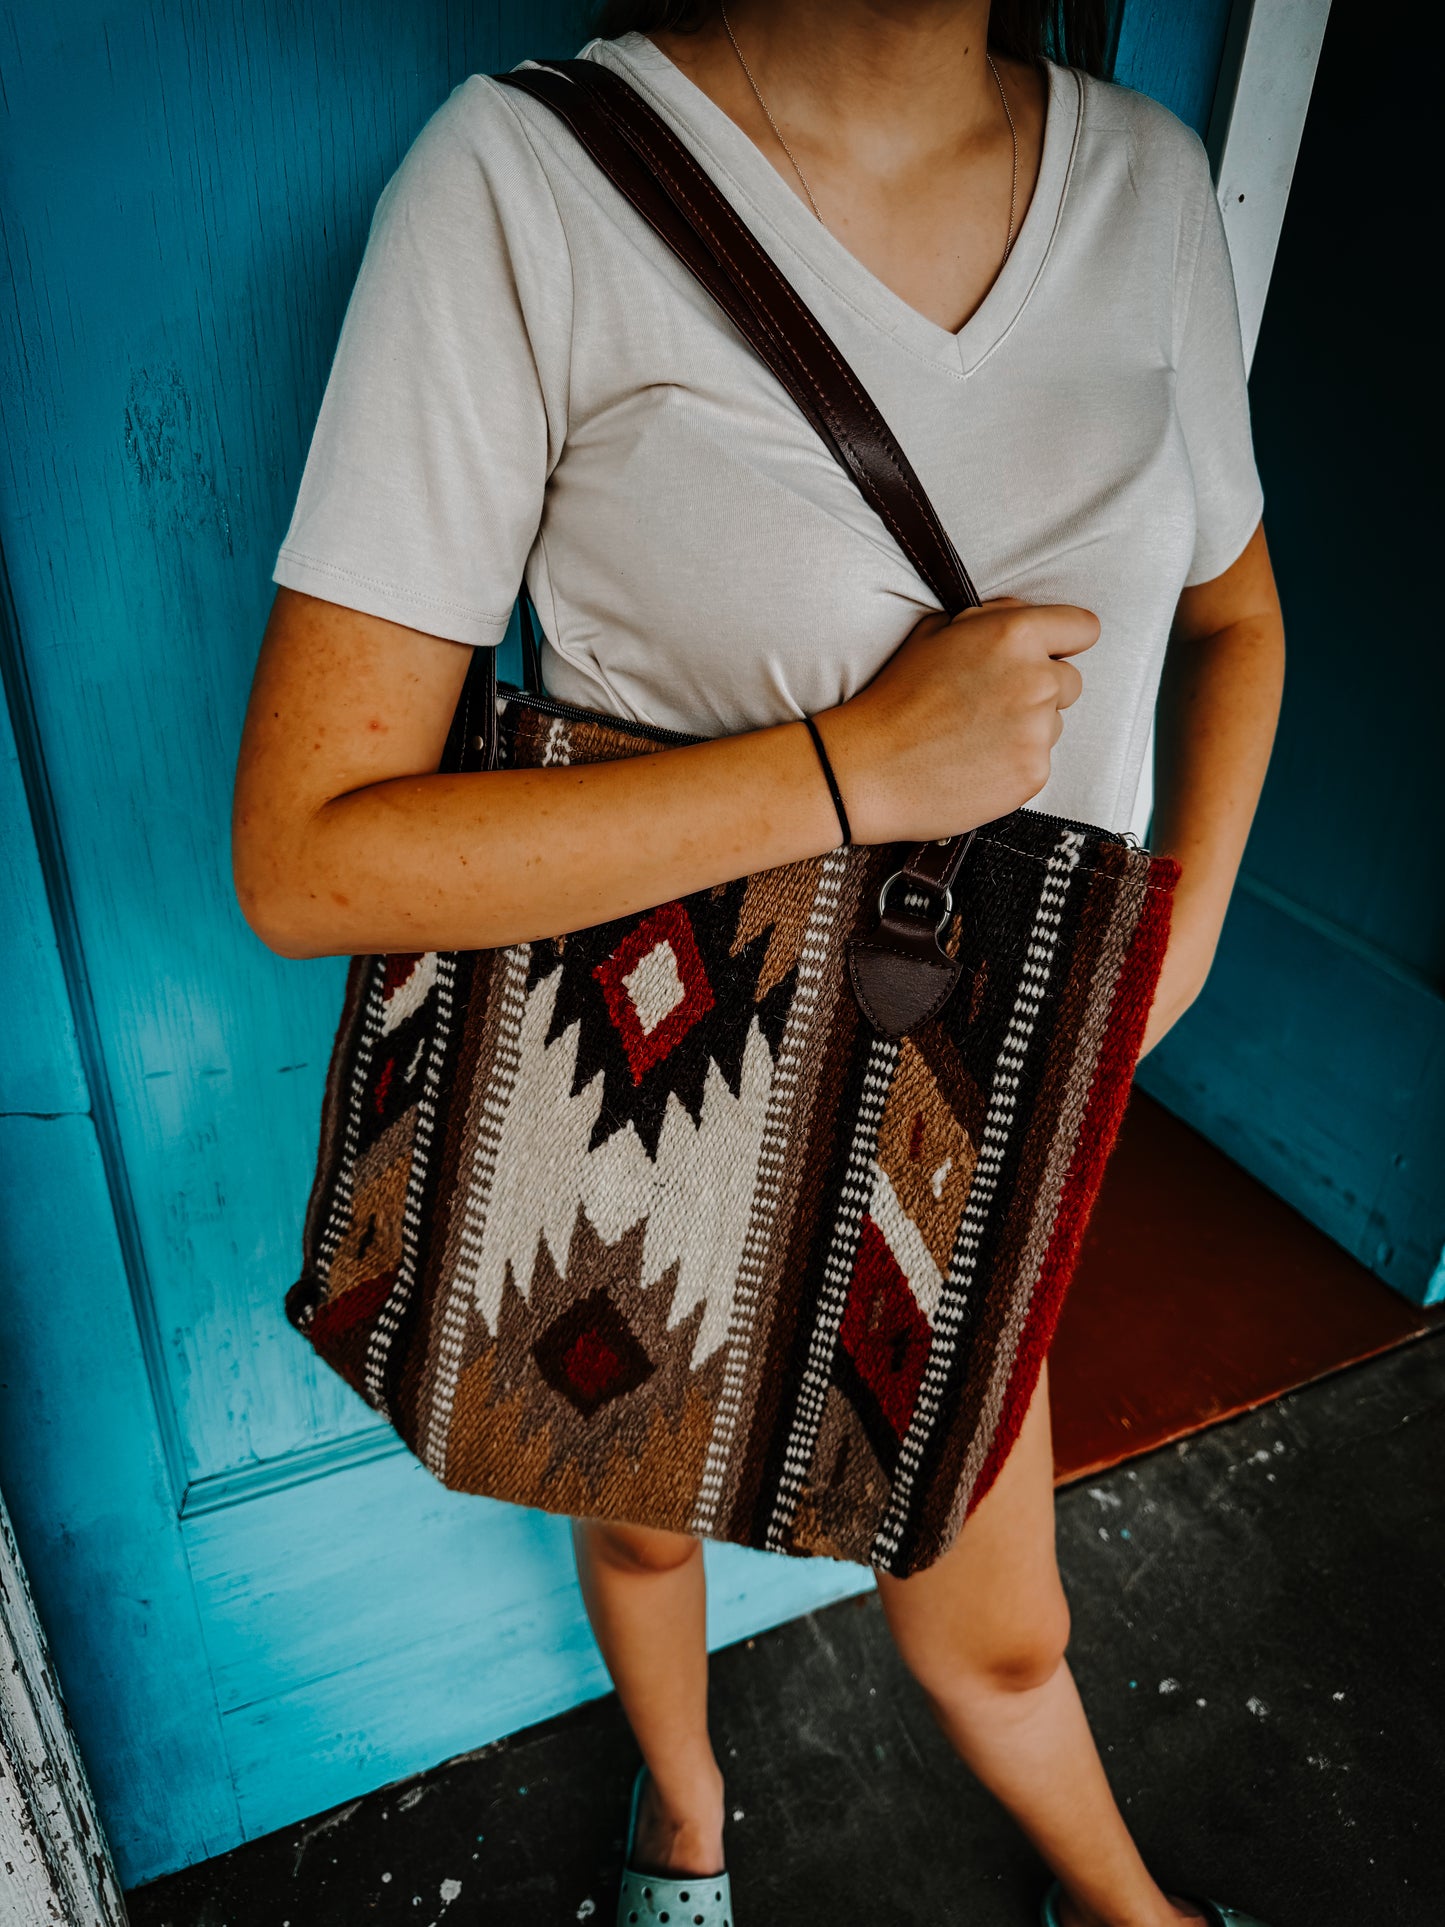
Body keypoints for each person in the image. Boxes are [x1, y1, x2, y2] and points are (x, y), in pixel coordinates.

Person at [232, 4, 1286, 1922]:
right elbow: (310, 862)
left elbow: (1235, 620)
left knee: (1003, 1628)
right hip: (651, 1104)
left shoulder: (1143, 187)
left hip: (972, 1119)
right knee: (640, 1541)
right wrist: (850, 772)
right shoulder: (529, 178)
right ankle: (686, 1824)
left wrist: (1172, 940)